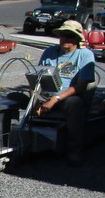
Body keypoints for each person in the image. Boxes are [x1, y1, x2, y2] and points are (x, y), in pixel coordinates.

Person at [35, 19, 96, 165]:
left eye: (70, 36)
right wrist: (36, 99)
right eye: (63, 35)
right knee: (14, 98)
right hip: (45, 94)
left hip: (68, 96)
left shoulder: (85, 55)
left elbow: (80, 87)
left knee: (74, 104)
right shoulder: (49, 52)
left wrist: (55, 99)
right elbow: (37, 79)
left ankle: (74, 149)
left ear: (77, 39)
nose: (66, 39)